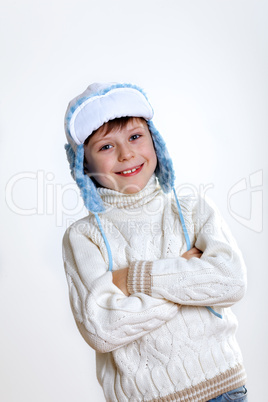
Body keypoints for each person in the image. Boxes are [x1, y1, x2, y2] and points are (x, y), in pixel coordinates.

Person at [62, 82, 248, 401]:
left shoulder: (192, 209)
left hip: (223, 387)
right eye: (106, 146)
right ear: (83, 165)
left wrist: (134, 278)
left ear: (155, 142)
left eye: (135, 137)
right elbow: (102, 327)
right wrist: (187, 276)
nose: (127, 154)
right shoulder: (84, 236)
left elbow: (231, 282)